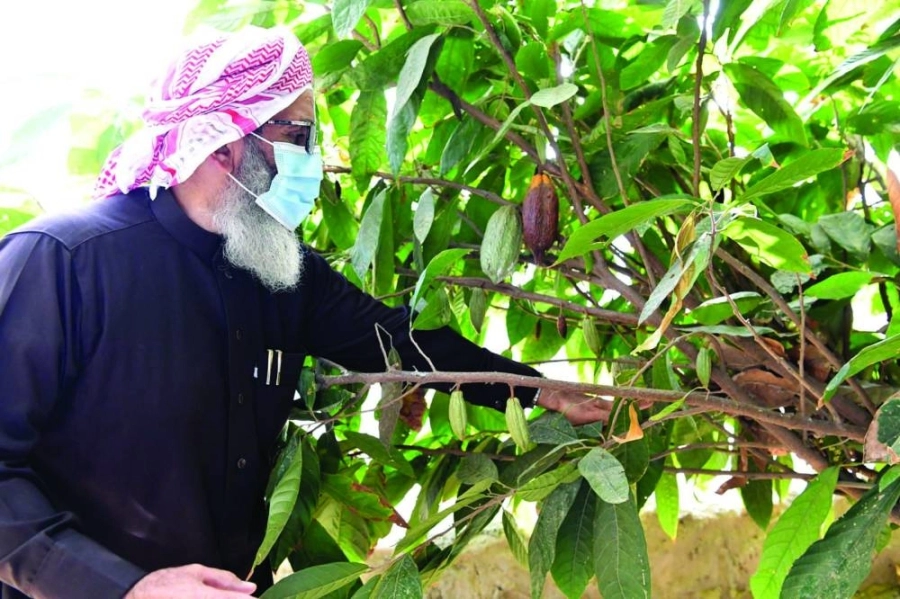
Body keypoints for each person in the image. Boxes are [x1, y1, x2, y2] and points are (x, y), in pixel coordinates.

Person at [0, 26, 610, 599]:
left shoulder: (277, 269)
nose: (313, 158)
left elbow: (398, 342)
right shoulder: (61, 262)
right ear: (225, 147)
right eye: (297, 137)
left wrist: (539, 391)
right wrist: (126, 588)